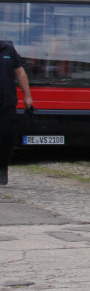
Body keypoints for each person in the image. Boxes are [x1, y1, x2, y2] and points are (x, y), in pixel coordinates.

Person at [0, 39, 33, 185]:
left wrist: (27, 95)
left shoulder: (8, 50)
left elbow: (19, 72)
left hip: (6, 103)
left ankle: (2, 168)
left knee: (7, 137)